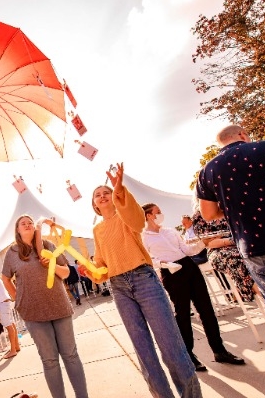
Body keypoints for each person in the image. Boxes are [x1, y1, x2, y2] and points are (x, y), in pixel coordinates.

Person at [196, 124, 265, 397]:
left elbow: (209, 214)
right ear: (244, 135)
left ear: (220, 144)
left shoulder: (209, 170)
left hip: (257, 244)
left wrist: (236, 202)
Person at [83, 163, 201, 398]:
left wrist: (119, 190)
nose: (103, 195)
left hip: (144, 279)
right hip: (119, 287)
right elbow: (102, 262)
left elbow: (137, 221)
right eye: (98, 195)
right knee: (143, 350)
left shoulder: (125, 215)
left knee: (170, 344)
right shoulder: (97, 231)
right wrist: (94, 271)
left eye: (106, 192)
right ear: (94, 204)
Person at [142, 202, 246, 372]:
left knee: (206, 310)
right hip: (171, 272)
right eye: (158, 212)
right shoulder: (144, 238)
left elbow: (187, 250)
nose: (161, 214)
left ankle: (219, 351)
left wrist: (203, 243)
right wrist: (163, 264)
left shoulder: (170, 231)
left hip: (189, 267)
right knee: (182, 315)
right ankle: (188, 355)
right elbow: (148, 259)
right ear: (149, 215)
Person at [2, 215, 89, 398]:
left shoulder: (48, 245)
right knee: (49, 360)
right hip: (33, 313)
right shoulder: (12, 253)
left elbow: (66, 272)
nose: (27, 224)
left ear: (35, 227)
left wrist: (52, 265)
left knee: (71, 355)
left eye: (30, 222)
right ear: (17, 230)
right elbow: (5, 278)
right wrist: (18, 299)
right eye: (22, 223)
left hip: (59, 306)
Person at [191, 209, 256, 302]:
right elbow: (208, 242)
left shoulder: (229, 206)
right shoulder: (199, 216)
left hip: (244, 244)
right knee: (236, 260)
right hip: (218, 250)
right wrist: (233, 241)